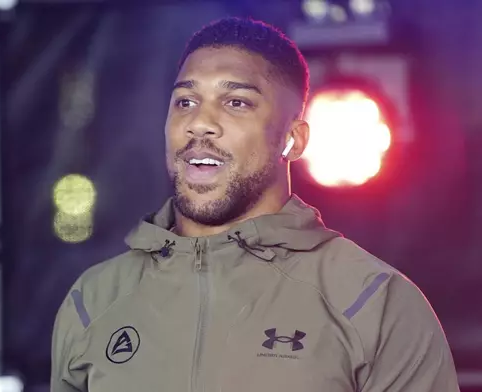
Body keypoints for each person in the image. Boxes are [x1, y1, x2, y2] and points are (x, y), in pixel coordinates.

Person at [51, 17, 460, 392]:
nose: (199, 123)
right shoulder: (95, 299)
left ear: (293, 139)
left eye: (236, 103)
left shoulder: (374, 302)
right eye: (185, 102)